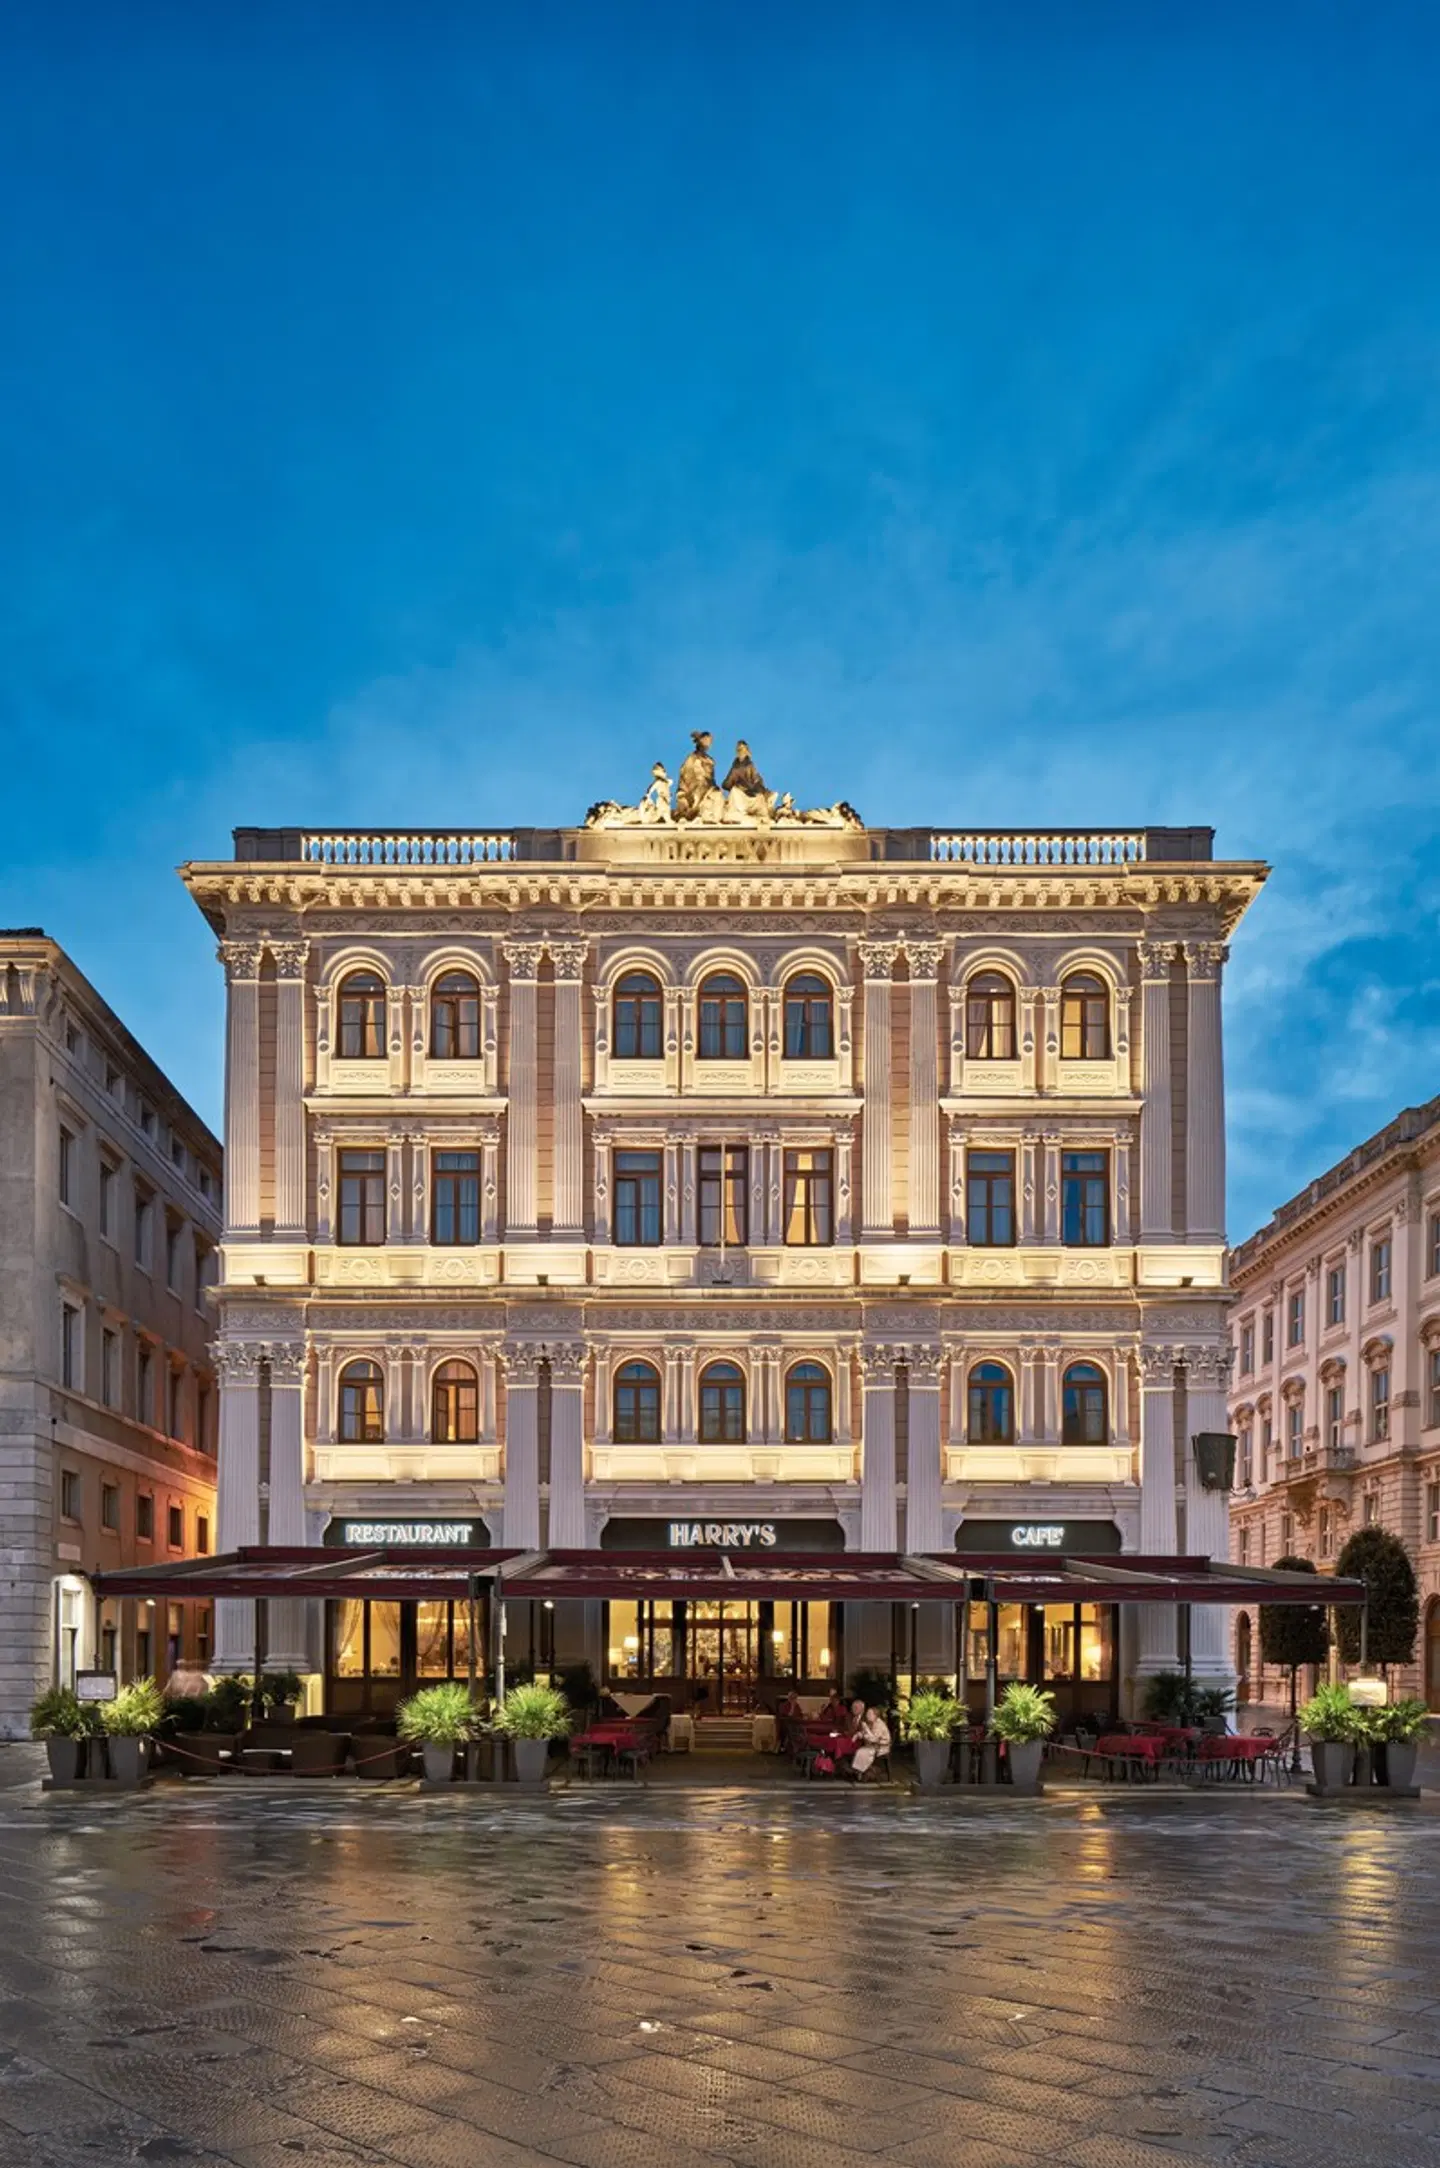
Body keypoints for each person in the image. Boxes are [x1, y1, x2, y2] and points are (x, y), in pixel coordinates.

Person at [849, 1701, 891, 1781]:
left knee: (863, 1751)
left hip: (881, 1747)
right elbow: (864, 1733)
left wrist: (865, 1733)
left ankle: (860, 1772)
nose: (867, 1716)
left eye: (869, 1714)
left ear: (875, 1716)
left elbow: (874, 1738)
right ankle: (859, 1771)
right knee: (860, 1751)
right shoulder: (871, 1723)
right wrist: (858, 1734)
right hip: (873, 1745)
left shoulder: (879, 1724)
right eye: (867, 1714)